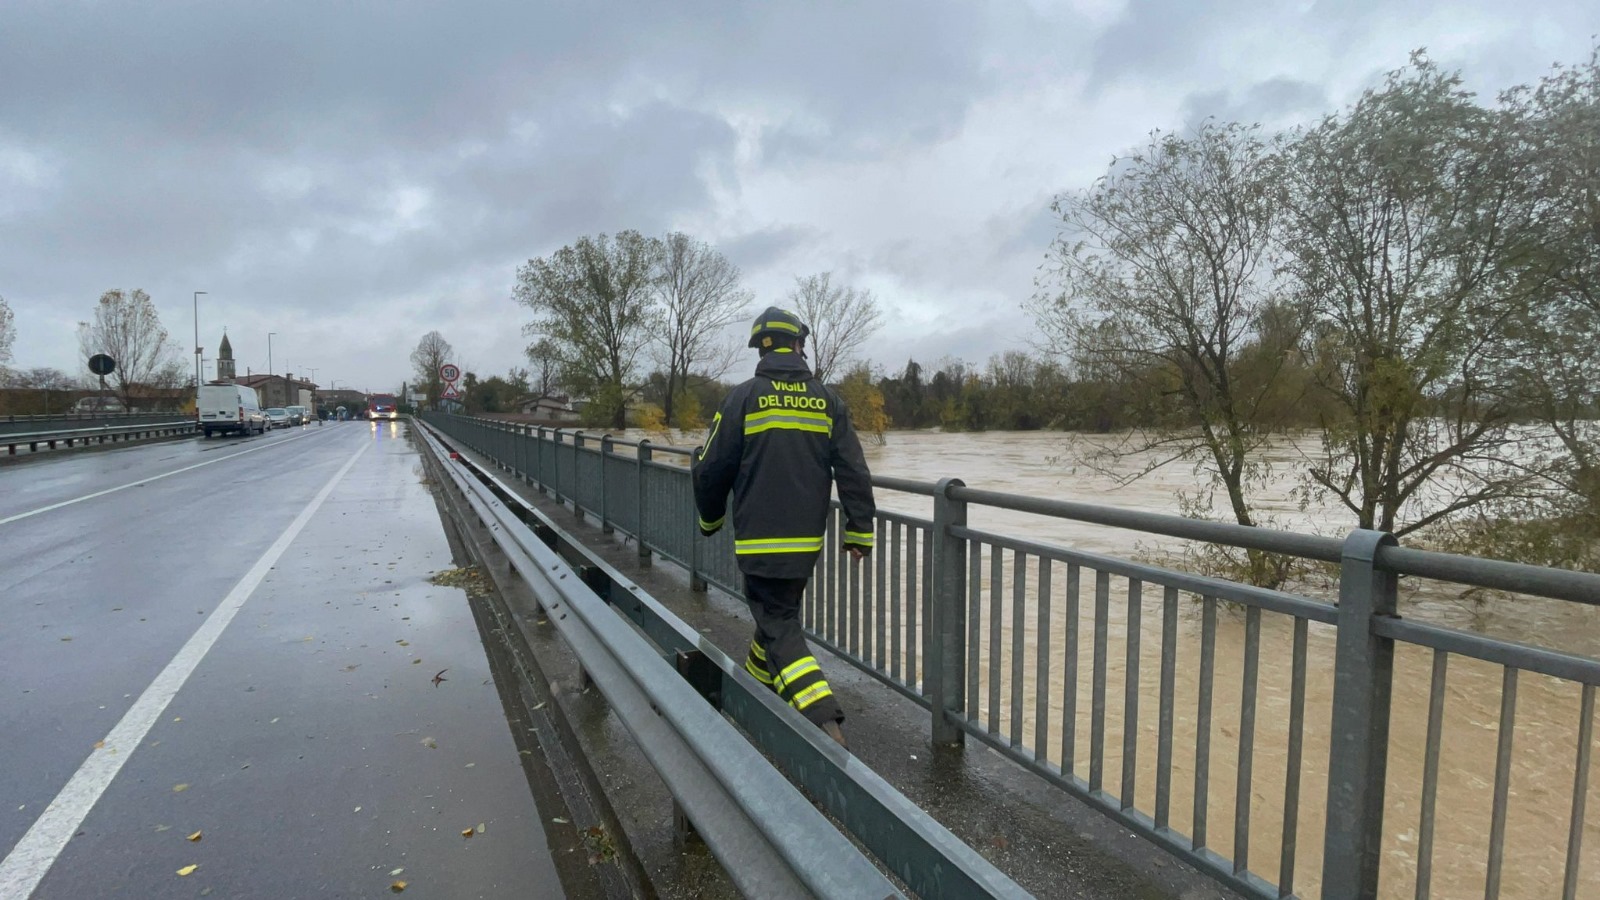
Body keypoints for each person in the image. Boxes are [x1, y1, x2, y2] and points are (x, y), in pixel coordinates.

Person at [692, 306, 876, 748]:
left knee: (777, 622)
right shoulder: (828, 400)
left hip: (759, 540)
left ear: (762, 348)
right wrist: (859, 530)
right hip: (807, 543)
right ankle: (757, 694)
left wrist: (710, 518)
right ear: (798, 345)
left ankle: (824, 722)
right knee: (777, 618)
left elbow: (711, 467)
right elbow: (853, 469)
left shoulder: (743, 398)